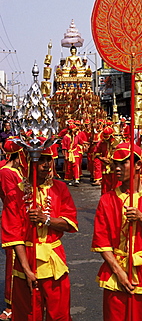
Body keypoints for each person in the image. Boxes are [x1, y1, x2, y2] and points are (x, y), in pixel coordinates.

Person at [91, 142, 142, 320]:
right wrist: (118, 272)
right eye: (115, 164)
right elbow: (101, 242)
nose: (117, 168)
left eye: (123, 163)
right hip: (116, 270)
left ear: (138, 165)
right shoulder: (107, 199)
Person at [1, 145, 78, 321]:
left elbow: (70, 223)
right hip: (25, 263)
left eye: (48, 159)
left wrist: (47, 219)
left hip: (54, 261)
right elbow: (14, 236)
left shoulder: (60, 189)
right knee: (27, 315)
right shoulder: (15, 193)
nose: (45, 164)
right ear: (25, 162)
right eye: (39, 159)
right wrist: (27, 270)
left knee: (59, 314)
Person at [0, 138, 27, 321]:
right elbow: (13, 200)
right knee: (12, 264)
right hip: (14, 220)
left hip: (24, 219)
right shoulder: (6, 172)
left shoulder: (17, 170)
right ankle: (10, 305)